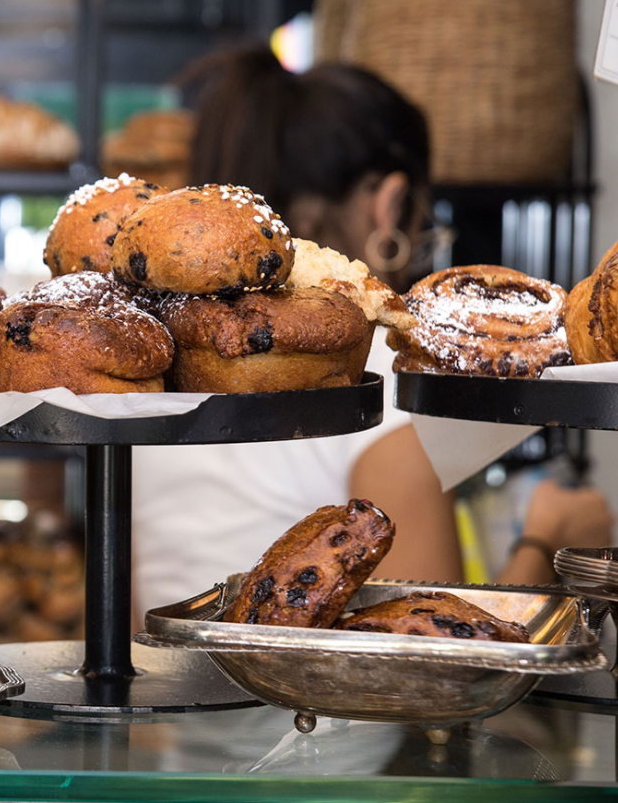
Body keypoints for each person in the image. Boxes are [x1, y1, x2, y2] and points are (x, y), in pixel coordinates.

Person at [132, 47, 612, 615]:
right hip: (301, 703)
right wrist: (547, 536)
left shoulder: (170, 358)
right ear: (389, 205)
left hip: (170, 691)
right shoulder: (374, 372)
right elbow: (435, 663)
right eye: (424, 221)